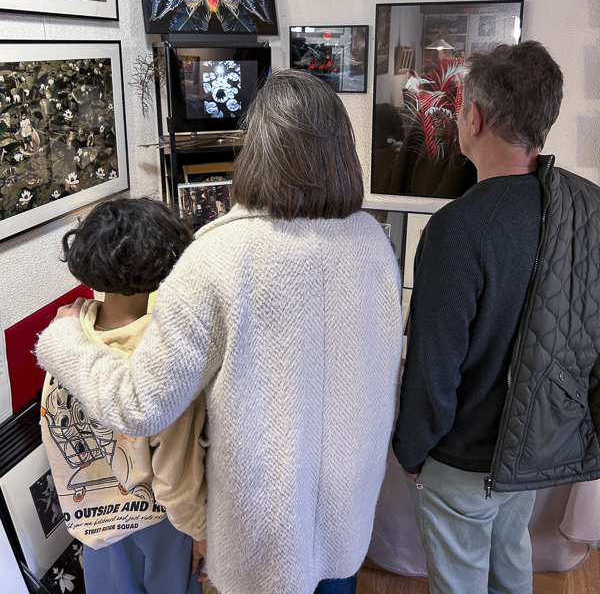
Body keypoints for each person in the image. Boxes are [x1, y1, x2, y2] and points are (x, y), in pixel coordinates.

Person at [36, 69, 404, 594]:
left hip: (262, 523)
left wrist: (65, 340)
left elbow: (140, 404)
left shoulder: (219, 255)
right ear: (341, 149)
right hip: (346, 500)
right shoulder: (372, 242)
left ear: (255, 150)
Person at [392, 41, 600, 594]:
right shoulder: (577, 213)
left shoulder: (458, 230)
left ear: (474, 118)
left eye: (461, 109)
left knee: (461, 582)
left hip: (463, 460)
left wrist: (412, 451)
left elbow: (433, 369)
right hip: (531, 448)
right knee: (511, 564)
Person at [39, 197, 207, 594]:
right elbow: (176, 465)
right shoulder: (164, 353)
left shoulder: (67, 331)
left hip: (91, 515)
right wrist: (200, 529)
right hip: (160, 517)